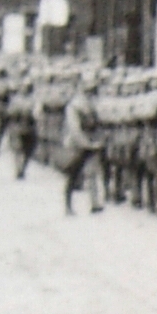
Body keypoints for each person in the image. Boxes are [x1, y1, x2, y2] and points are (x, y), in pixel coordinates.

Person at [59, 73, 104, 215]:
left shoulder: (93, 104)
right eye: (89, 89)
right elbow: (74, 128)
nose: (91, 92)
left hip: (91, 141)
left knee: (92, 173)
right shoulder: (74, 105)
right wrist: (86, 143)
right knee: (72, 174)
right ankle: (68, 205)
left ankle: (94, 202)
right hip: (76, 144)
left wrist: (96, 141)